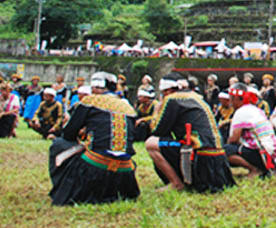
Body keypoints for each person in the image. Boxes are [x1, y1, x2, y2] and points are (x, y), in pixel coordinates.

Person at [48, 72, 139, 205]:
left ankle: (62, 187)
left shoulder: (91, 101)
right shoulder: (128, 107)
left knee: (59, 144)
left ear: (96, 88)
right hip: (125, 170)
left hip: (96, 167)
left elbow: (69, 134)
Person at [146, 74, 235, 193]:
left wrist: (156, 111)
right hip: (218, 158)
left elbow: (157, 130)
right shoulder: (196, 97)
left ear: (167, 91)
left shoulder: (172, 99)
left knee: (150, 143)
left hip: (200, 155)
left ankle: (176, 183)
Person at [225, 83, 276, 178]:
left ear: (236, 99)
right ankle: (261, 168)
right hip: (272, 153)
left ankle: (255, 170)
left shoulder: (241, 112)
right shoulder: (253, 109)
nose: (230, 102)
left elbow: (234, 139)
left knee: (225, 150)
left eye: (231, 99)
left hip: (264, 153)